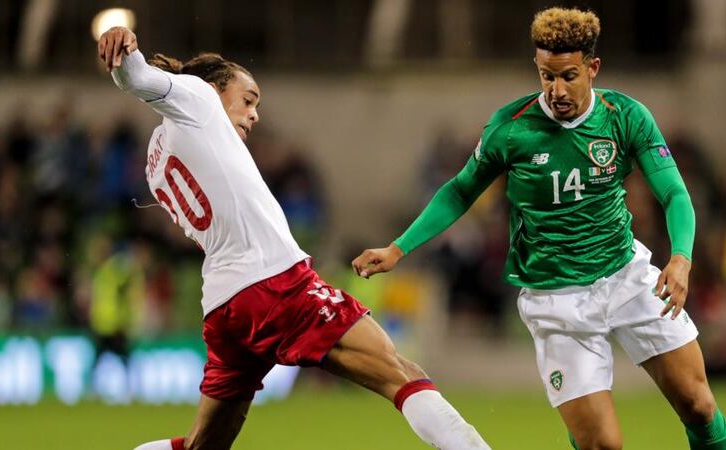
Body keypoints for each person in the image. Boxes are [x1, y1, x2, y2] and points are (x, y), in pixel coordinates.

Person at [353, 7, 726, 450]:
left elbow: (674, 194)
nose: (556, 90)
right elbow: (460, 191)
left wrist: (681, 259)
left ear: (592, 68)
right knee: (601, 446)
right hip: (557, 299)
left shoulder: (625, 116)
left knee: (700, 405)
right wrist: (400, 248)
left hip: (626, 277)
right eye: (545, 77)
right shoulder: (510, 130)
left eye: (568, 76)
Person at [97, 26, 490, 450]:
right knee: (401, 373)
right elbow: (137, 80)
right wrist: (125, 49)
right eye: (248, 100)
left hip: (224, 305)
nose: (255, 114)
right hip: (274, 285)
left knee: (202, 446)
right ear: (213, 89)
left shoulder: (157, 160)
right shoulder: (197, 97)